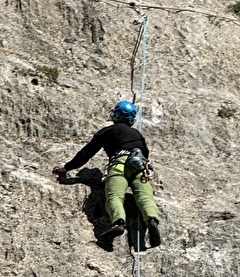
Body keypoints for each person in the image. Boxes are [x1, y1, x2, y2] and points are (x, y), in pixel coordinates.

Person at [53, 100, 161, 248]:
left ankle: (118, 223)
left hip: (119, 165)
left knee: (115, 196)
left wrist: (67, 167)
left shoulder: (108, 131)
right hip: (139, 167)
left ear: (115, 115)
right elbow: (146, 154)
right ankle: (152, 221)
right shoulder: (137, 134)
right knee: (145, 197)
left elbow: (87, 152)